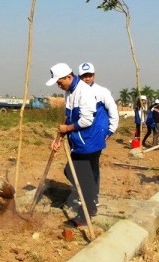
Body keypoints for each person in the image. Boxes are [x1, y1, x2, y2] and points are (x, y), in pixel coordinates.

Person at [46, 63, 105, 227]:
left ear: (68, 77)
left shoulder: (84, 92)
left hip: (89, 142)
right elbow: (68, 117)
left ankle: (84, 216)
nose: (58, 85)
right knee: (72, 173)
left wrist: (68, 128)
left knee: (82, 178)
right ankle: (91, 204)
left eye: (59, 81)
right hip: (78, 141)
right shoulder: (69, 92)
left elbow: (87, 120)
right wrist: (58, 138)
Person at [78, 62, 119, 205]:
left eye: (89, 75)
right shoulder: (76, 92)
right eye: (84, 76)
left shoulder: (102, 92)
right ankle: (83, 194)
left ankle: (93, 196)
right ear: (79, 77)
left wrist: (111, 130)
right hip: (81, 136)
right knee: (81, 166)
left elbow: (113, 110)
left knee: (92, 166)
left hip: (96, 135)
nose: (87, 78)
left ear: (93, 76)